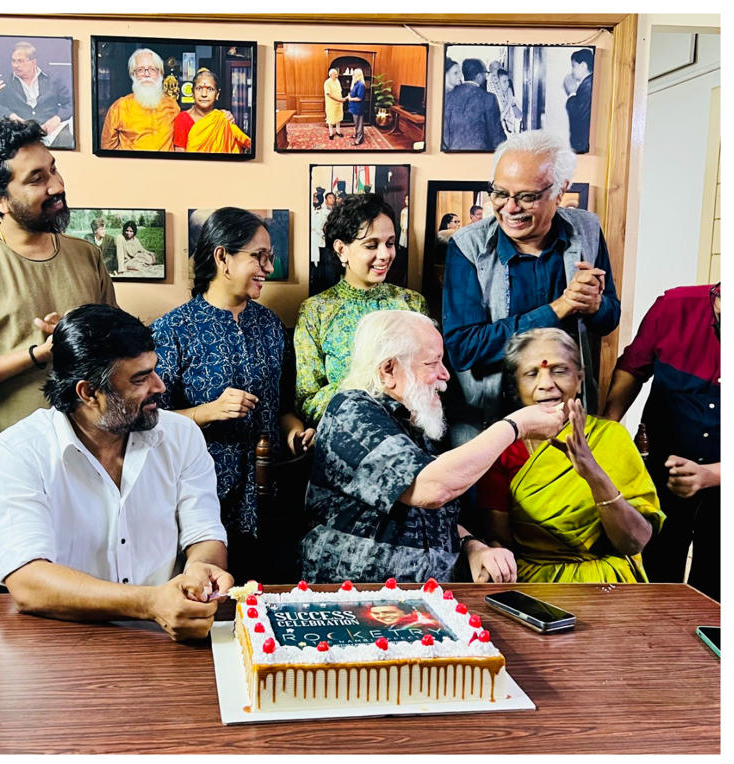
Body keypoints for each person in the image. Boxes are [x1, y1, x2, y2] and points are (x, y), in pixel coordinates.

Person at [0, 304, 232, 641]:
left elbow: (204, 533)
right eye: (140, 379)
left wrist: (202, 569)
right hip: (60, 640)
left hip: (168, 638)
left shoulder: (182, 436)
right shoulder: (17, 452)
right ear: (88, 392)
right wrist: (149, 604)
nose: (159, 386)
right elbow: (27, 580)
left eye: (154, 370)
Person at [300, 310, 566, 583]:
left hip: (427, 600)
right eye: (432, 363)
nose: (446, 375)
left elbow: (431, 515)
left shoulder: (412, 420)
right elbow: (430, 489)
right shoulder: (351, 412)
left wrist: (473, 546)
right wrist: (515, 426)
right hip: (357, 601)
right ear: (388, 369)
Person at [0, 118, 116, 593]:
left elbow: (114, 355)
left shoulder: (86, 256)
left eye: (53, 170)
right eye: (36, 179)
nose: (57, 186)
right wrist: (39, 353)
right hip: (4, 480)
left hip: (91, 470)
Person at [151, 207, 315, 583]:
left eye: (270, 257)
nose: (268, 268)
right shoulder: (172, 330)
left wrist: (294, 432)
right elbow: (150, 423)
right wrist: (210, 411)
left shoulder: (271, 325)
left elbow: (283, 407)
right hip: (202, 500)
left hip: (270, 497)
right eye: (258, 256)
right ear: (222, 257)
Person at [442, 129, 620, 444]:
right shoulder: (467, 246)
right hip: (490, 424)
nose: (509, 208)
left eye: (527, 196)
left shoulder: (588, 229)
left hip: (567, 420)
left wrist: (595, 306)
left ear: (560, 191)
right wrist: (559, 308)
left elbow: (609, 319)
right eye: (499, 193)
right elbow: (463, 349)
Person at [471, 328, 664, 583]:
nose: (547, 384)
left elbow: (635, 542)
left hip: (609, 583)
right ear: (515, 387)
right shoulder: (502, 448)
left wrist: (593, 472)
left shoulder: (611, 438)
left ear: (580, 379)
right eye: (531, 374)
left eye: (559, 370)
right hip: (531, 582)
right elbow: (500, 542)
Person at [604, 284, 720, 600]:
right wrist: (608, 430)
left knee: (714, 586)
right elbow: (632, 367)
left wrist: (712, 474)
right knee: (653, 578)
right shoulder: (674, 306)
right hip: (661, 475)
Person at [294, 193, 429, 427]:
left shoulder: (411, 303)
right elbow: (308, 402)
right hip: (346, 436)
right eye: (371, 245)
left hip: (410, 436)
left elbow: (431, 381)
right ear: (341, 249)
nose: (385, 255)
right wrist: (368, 382)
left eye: (390, 243)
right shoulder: (317, 311)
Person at [0, 41, 73, 148]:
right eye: (13, 61)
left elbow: (71, 104)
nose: (16, 65)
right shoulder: (5, 82)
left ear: (33, 62)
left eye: (20, 61)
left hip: (50, 130)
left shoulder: (53, 79)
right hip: (19, 132)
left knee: (67, 137)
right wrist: (12, 116)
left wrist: (57, 119)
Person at [100, 48, 179, 151]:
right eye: (140, 70)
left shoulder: (172, 106)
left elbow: (180, 146)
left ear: (161, 74)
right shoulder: (120, 107)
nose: (147, 74)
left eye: (152, 69)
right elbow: (108, 148)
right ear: (133, 75)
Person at [173, 68, 250, 154]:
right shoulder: (182, 119)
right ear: (192, 93)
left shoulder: (223, 119)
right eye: (199, 88)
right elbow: (180, 155)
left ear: (217, 94)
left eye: (210, 89)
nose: (204, 94)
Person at [442, 58, 505, 151]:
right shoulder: (488, 98)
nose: (486, 77)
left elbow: (444, 133)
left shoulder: (448, 96)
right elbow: (496, 136)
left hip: (453, 154)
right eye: (485, 73)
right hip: (480, 156)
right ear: (479, 76)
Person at [564, 48, 594, 153]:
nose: (572, 71)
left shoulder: (588, 86)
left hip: (584, 146)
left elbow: (577, 114)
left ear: (583, 66)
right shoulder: (588, 83)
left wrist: (571, 92)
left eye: (574, 66)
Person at [495, 68, 522, 138]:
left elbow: (519, 116)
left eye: (507, 81)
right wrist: (508, 103)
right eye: (504, 81)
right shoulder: (493, 99)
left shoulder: (511, 97)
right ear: (497, 84)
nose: (507, 84)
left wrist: (513, 104)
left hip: (512, 135)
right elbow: (497, 120)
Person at [323, 68, 345, 140]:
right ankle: (331, 133)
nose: (337, 75)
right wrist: (338, 99)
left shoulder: (337, 81)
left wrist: (341, 100)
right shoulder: (327, 82)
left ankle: (338, 132)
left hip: (339, 104)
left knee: (338, 118)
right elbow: (328, 94)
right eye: (335, 74)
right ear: (331, 75)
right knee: (331, 119)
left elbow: (340, 92)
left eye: (337, 74)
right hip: (331, 104)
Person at [347, 68, 366, 145]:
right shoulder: (356, 83)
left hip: (358, 108)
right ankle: (357, 134)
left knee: (359, 124)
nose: (353, 75)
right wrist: (349, 96)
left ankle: (359, 138)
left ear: (358, 75)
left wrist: (350, 98)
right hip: (353, 107)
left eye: (354, 74)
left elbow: (359, 98)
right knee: (356, 123)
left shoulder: (361, 84)